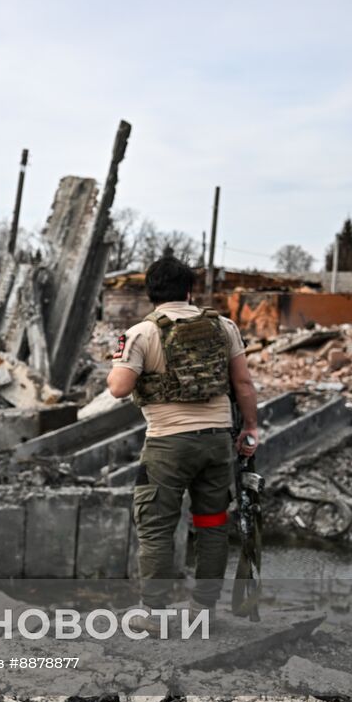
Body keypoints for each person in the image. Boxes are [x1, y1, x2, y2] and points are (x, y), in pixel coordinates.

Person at [106, 253, 257, 622]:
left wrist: (117, 362)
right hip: (217, 441)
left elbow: (119, 389)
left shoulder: (141, 333)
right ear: (189, 290)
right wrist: (251, 428)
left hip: (166, 445)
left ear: (150, 293)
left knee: (156, 526)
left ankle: (153, 613)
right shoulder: (224, 326)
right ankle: (202, 610)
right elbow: (243, 383)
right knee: (211, 523)